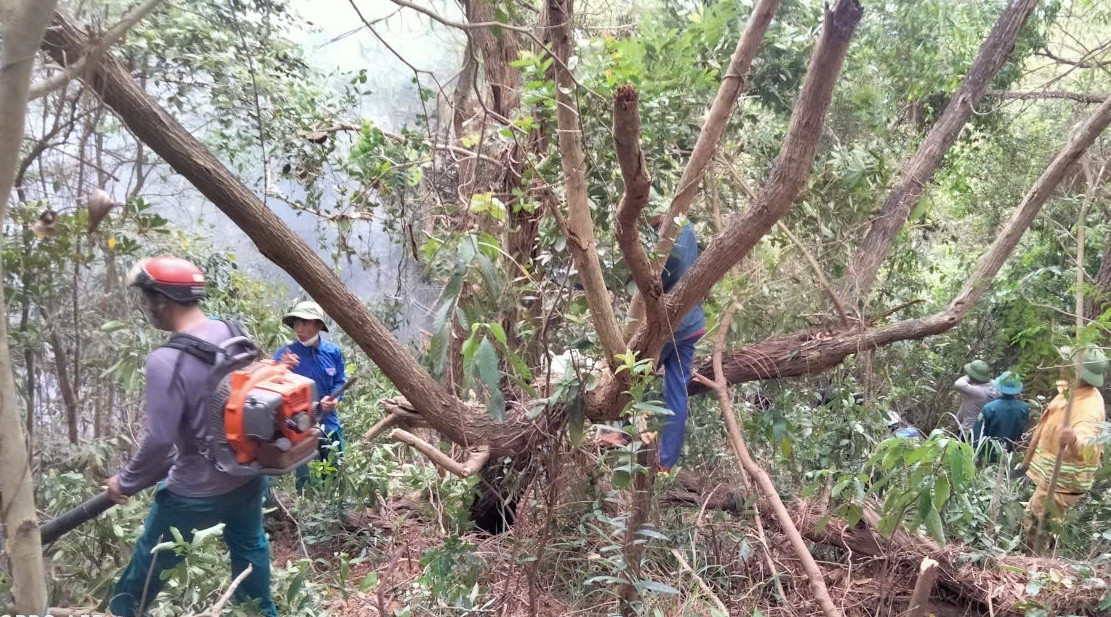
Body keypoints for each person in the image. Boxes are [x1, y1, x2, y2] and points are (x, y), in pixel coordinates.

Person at [106, 256, 276, 617]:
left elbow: (159, 440)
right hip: (246, 473)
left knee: (149, 565)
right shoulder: (232, 330)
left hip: (195, 491)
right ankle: (260, 612)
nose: (146, 307)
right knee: (250, 550)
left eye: (147, 298)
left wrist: (125, 481)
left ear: (161, 300)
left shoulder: (165, 360)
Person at [1022, 348, 1107, 553]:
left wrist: (1074, 439)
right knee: (1033, 517)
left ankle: (1036, 569)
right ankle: (1030, 562)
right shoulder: (1073, 390)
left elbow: (1087, 445)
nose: (1061, 366)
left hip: (1061, 484)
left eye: (1066, 364)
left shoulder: (1089, 409)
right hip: (1052, 478)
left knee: (1042, 526)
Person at [274, 300, 347, 494]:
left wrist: (334, 399)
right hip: (299, 427)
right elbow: (270, 386)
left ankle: (335, 512)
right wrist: (282, 368)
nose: (299, 327)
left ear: (317, 325)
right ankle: (304, 515)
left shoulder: (333, 352)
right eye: (296, 323)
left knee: (335, 471)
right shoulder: (285, 355)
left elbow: (340, 381)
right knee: (305, 480)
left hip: (329, 423)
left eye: (304, 322)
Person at [654, 218, 706, 473]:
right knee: (677, 390)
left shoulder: (666, 235)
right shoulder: (685, 226)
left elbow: (665, 273)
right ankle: (666, 461)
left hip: (669, 327)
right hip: (692, 323)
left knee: (629, 373)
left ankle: (620, 434)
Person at [972, 371, 1030, 458]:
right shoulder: (1025, 408)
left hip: (990, 454)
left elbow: (978, 434)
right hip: (1011, 454)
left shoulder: (989, 408)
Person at [954, 359, 998, 433]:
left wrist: (969, 376)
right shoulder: (994, 387)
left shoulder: (978, 392)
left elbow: (959, 384)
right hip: (983, 430)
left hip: (968, 430)